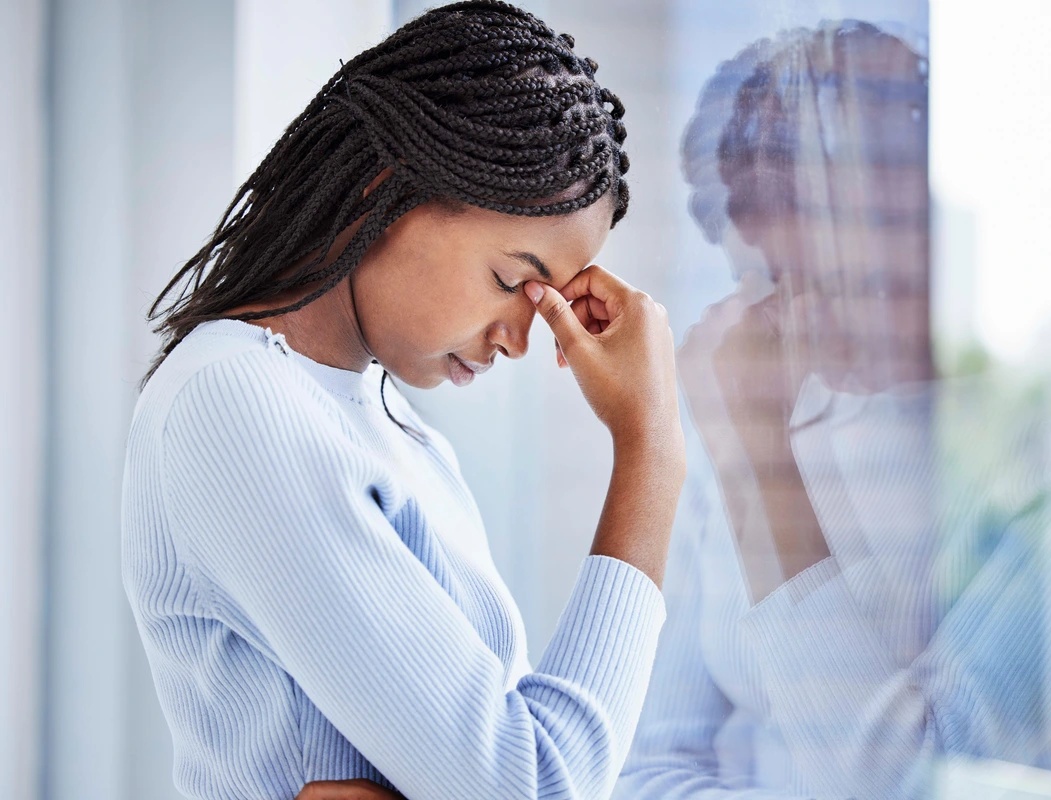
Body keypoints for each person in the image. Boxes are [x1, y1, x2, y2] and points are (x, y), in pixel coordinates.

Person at [121, 3, 685, 799]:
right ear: (383, 187)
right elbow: (534, 781)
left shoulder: (402, 438)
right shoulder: (232, 400)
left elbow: (508, 762)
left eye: (546, 302)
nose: (519, 341)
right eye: (508, 281)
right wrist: (652, 449)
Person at [615, 21, 1051, 799]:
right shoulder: (747, 443)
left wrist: (761, 461)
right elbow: (651, 768)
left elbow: (900, 784)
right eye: (754, 274)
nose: (762, 312)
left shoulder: (1035, 487)